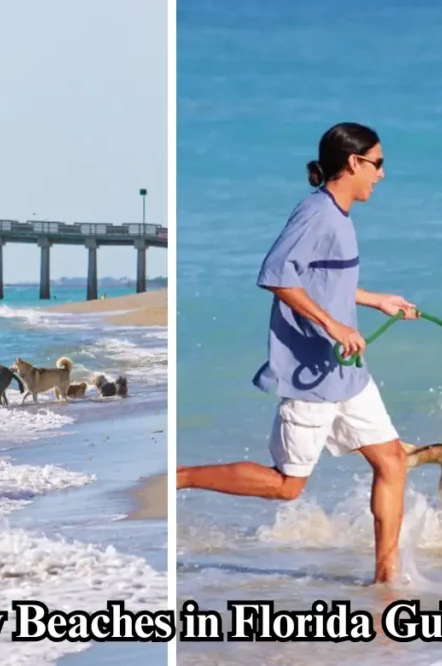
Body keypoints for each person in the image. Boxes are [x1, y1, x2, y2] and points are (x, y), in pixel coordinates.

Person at [177, 122, 418, 584]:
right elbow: (276, 275)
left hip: (346, 372)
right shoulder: (318, 214)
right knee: (288, 487)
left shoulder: (339, 217)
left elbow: (325, 283)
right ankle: (181, 477)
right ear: (354, 163)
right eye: (378, 164)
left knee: (392, 460)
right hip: (312, 375)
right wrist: (332, 324)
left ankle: (387, 576)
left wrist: (375, 300)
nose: (382, 175)